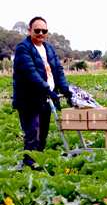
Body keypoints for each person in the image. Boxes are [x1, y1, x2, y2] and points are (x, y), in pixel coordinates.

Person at [12, 16, 72, 169]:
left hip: (45, 99)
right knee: (32, 133)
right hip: (29, 100)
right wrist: (47, 89)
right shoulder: (23, 48)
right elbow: (30, 73)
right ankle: (29, 165)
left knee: (43, 136)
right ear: (29, 30)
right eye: (37, 30)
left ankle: (37, 165)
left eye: (43, 31)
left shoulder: (48, 48)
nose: (40, 33)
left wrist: (65, 89)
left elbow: (58, 70)